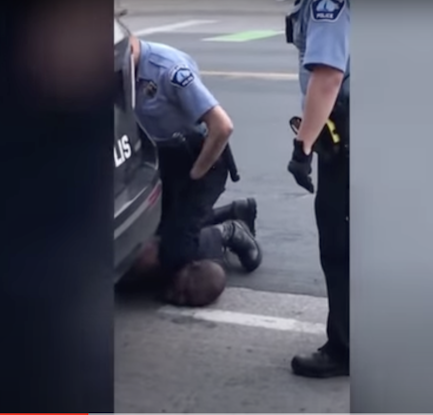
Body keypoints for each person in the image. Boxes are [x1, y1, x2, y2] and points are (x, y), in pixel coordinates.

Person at [125, 27, 263, 294]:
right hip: (166, 159)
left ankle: (230, 230)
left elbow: (222, 127)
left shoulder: (168, 69)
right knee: (152, 236)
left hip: (203, 158)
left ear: (127, 49)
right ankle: (230, 211)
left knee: (174, 253)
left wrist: (197, 174)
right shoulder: (121, 70)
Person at [285, 0, 350, 378]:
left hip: (350, 133)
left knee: (340, 242)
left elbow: (327, 76)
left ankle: (345, 348)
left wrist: (302, 147)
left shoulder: (329, 4)